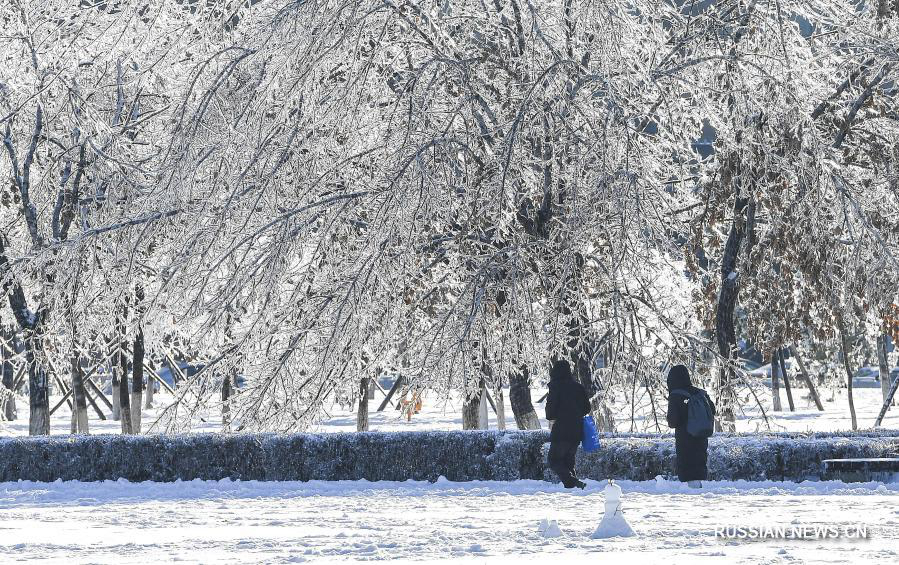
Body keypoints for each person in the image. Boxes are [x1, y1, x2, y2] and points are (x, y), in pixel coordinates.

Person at [666, 364, 715, 487]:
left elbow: (673, 421)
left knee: (688, 467)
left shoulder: (676, 395)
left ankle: (692, 497)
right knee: (699, 464)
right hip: (701, 436)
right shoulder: (699, 393)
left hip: (685, 439)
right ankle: (699, 490)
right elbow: (712, 410)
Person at [545, 358, 590, 489]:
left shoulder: (555, 387)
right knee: (568, 463)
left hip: (561, 431)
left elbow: (550, 414)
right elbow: (587, 408)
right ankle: (574, 488)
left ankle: (573, 483)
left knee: (554, 460)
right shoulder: (578, 387)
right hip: (577, 430)